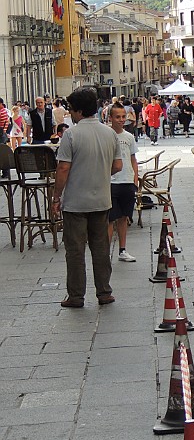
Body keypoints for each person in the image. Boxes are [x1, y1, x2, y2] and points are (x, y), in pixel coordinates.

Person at [53, 86, 123, 308]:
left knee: (75, 251)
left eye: (72, 109)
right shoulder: (109, 133)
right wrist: (100, 173)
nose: (71, 114)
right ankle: (104, 292)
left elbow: (63, 168)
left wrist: (56, 197)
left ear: (78, 111)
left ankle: (76, 296)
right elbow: (118, 165)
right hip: (102, 200)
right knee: (101, 249)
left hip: (75, 202)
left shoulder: (71, 135)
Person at [107, 103, 138, 263]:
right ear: (110, 118)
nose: (121, 120)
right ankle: (105, 252)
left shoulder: (129, 137)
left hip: (127, 180)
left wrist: (135, 178)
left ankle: (122, 249)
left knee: (124, 217)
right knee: (110, 218)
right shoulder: (106, 135)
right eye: (117, 117)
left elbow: (133, 159)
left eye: (123, 117)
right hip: (111, 182)